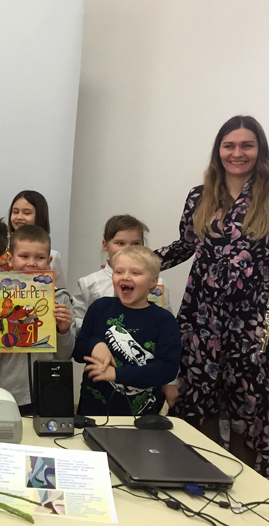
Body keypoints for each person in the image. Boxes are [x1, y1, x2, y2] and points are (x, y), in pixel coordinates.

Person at [156, 115, 269, 476]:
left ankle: (247, 486)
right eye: (229, 145)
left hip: (253, 319)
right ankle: (204, 477)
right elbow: (185, 245)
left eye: (247, 145)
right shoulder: (200, 196)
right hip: (203, 315)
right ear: (218, 150)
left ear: (260, 149)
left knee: (247, 406)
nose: (237, 153)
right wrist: (135, 262)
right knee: (200, 399)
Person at [74, 246, 181, 417]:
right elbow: (79, 351)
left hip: (141, 419)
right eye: (119, 272)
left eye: (135, 273)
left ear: (152, 282)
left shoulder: (165, 321)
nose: (125, 277)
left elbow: (166, 369)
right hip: (92, 412)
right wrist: (95, 345)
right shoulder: (99, 308)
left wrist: (116, 374)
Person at [0, 225, 75, 414]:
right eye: (24, 256)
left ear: (49, 261)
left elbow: (65, 356)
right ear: (10, 259)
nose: (31, 263)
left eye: (39, 258)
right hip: (5, 391)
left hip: (48, 390)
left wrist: (63, 330)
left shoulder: (61, 299)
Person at [74, 215, 172, 328]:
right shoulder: (89, 283)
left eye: (135, 244)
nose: (128, 249)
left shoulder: (158, 283)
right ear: (105, 245)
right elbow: (76, 323)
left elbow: (167, 323)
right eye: (120, 243)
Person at [6, 191, 67, 289]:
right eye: (15, 212)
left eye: (27, 213)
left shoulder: (53, 255)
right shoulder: (1, 250)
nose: (19, 217)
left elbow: (59, 290)